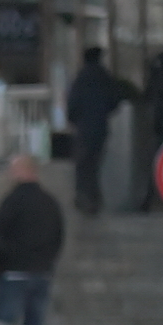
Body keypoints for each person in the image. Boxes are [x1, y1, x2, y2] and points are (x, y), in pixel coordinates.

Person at [0, 153, 65, 325]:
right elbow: (58, 235)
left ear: (21, 171)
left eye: (13, 169)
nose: (9, 174)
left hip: (14, 272)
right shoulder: (49, 202)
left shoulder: (13, 201)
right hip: (41, 271)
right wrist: (48, 262)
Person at [64, 46, 135, 215]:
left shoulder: (80, 78)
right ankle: (93, 197)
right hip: (100, 126)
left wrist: (75, 119)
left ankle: (84, 196)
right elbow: (116, 98)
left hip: (84, 127)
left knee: (83, 163)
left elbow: (72, 105)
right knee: (95, 162)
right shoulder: (105, 77)